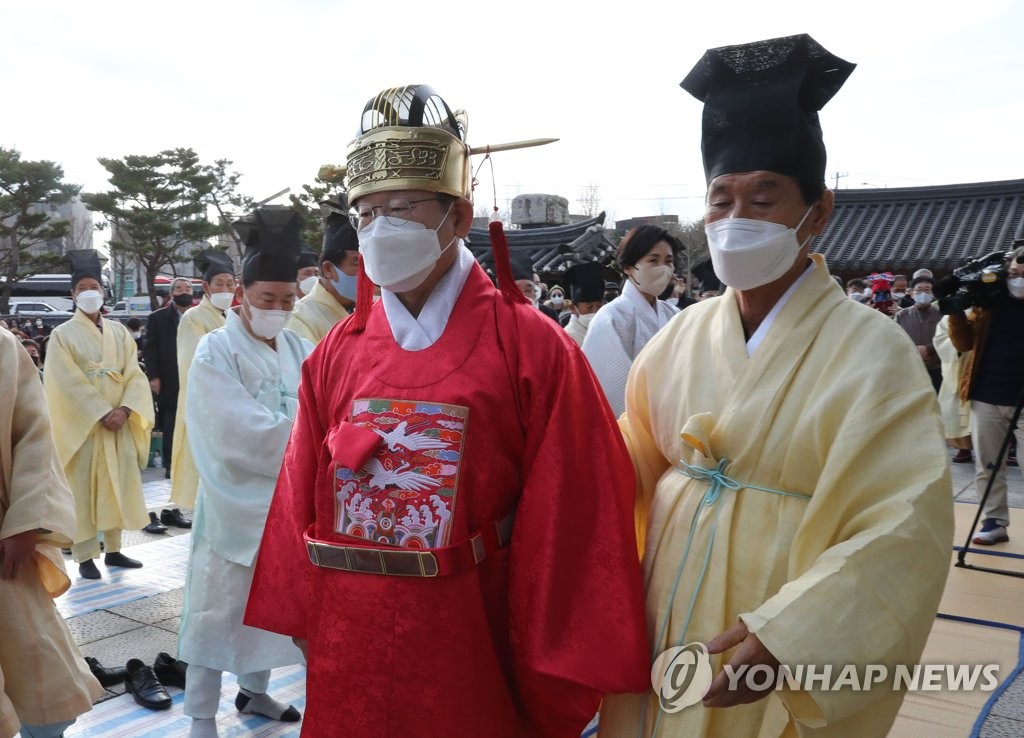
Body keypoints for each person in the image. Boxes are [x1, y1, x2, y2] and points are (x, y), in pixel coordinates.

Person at [245, 84, 649, 738]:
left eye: (401, 209)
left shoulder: (531, 347)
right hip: (350, 628)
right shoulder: (335, 356)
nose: (380, 230)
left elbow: (579, 510)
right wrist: (309, 619)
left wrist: (552, 657)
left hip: (471, 626)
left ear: (459, 217)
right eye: (366, 215)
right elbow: (301, 500)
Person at [597, 35, 952, 738]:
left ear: (816, 212)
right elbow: (624, 458)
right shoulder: (682, 336)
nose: (737, 221)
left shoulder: (872, 351)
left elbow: (904, 521)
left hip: (771, 615)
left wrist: (799, 635)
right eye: (721, 199)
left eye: (764, 198)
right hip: (663, 600)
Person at [178, 209, 310, 738]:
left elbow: (328, 408)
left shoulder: (302, 347)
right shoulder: (216, 348)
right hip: (236, 501)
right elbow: (228, 424)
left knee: (281, 602)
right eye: (266, 299)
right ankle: (201, 716)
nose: (278, 309)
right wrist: (306, 444)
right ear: (243, 297)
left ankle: (255, 693)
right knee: (217, 610)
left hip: (292, 497)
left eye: (287, 300)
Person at [0, 330, 104, 738]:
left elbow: (34, 435)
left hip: (3, 531)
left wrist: (27, 521)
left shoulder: (4, 347)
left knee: (36, 663)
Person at [43, 250, 155, 581]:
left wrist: (124, 409)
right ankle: (85, 555)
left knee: (117, 483)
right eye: (83, 288)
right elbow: (64, 383)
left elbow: (134, 373)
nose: (89, 292)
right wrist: (100, 412)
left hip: (117, 423)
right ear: (73, 295)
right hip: (87, 428)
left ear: (103, 293)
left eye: (95, 286)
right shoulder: (62, 334)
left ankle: (116, 549)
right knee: (84, 489)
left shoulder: (120, 332)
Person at [946, 245, 1024, 545]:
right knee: (988, 464)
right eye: (1013, 269)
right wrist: (954, 310)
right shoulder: (989, 302)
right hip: (987, 393)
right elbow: (963, 343)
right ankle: (994, 520)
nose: (1017, 275)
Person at [581, 225, 680, 416]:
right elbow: (610, 386)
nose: (664, 269)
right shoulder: (611, 317)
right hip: (634, 424)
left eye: (668, 261)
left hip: (675, 416)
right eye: (653, 260)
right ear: (628, 267)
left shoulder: (674, 314)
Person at [167, 251, 236, 511]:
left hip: (233, 406)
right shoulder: (193, 318)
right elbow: (192, 364)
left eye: (230, 284)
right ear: (206, 287)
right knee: (205, 480)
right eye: (219, 283)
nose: (226, 289)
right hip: (208, 403)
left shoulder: (234, 317)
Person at [287, 203, 359, 343]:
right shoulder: (300, 319)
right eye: (357, 264)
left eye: (369, 264)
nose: (367, 274)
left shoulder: (369, 310)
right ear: (328, 269)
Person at [145, 277, 193, 480]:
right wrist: (154, 376)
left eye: (188, 288)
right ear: (172, 293)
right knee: (171, 423)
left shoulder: (197, 317)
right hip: (170, 378)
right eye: (179, 289)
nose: (184, 292)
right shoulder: (158, 318)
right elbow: (150, 349)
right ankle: (170, 465)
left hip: (193, 378)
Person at [933, 312, 974, 463]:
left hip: (983, 367)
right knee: (955, 411)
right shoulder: (951, 316)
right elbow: (941, 340)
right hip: (959, 368)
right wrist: (959, 344)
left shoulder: (990, 312)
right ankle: (964, 447)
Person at [894, 276, 942, 391]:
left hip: (937, 366)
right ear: (912, 293)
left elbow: (947, 338)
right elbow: (896, 338)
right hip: (911, 367)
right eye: (919, 290)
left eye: (927, 290)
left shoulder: (941, 314)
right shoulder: (902, 315)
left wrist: (928, 349)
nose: (923, 293)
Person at [564, 261, 606, 347]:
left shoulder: (607, 327)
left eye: (599, 307)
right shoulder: (569, 336)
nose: (595, 312)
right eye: (589, 307)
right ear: (573, 308)